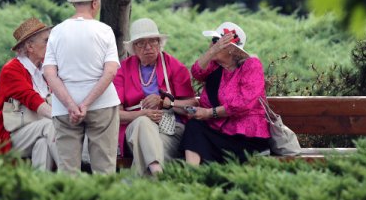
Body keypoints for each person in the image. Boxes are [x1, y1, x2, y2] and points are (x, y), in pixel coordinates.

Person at [43, 0, 121, 174]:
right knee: (104, 169)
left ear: (74, 2)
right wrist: (86, 104)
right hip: (102, 103)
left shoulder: (56, 32)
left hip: (64, 107)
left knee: (67, 171)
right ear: (95, 3)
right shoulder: (104, 30)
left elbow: (49, 73)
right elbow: (110, 71)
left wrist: (71, 104)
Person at [114, 18, 197, 175]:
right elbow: (115, 114)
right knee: (143, 123)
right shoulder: (122, 69)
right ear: (133, 47)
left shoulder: (174, 66)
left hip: (169, 129)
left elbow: (192, 106)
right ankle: (159, 177)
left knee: (147, 148)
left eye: (153, 41)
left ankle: (151, 176)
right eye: (141, 43)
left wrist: (165, 103)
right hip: (134, 126)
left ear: (160, 43)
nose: (148, 47)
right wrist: (142, 114)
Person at [181, 22, 270, 165]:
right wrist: (212, 51)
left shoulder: (251, 65)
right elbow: (196, 72)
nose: (212, 45)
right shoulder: (214, 66)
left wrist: (209, 113)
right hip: (220, 132)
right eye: (213, 41)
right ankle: (191, 176)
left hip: (246, 137)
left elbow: (243, 104)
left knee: (197, 133)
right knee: (194, 126)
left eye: (217, 42)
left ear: (231, 49)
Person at [0, 17, 58, 171]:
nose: (51, 44)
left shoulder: (43, 70)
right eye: (46, 41)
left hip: (36, 132)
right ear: (30, 46)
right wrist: (61, 117)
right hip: (10, 137)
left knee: (43, 144)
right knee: (50, 125)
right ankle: (72, 175)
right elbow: (31, 98)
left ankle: (40, 190)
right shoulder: (12, 69)